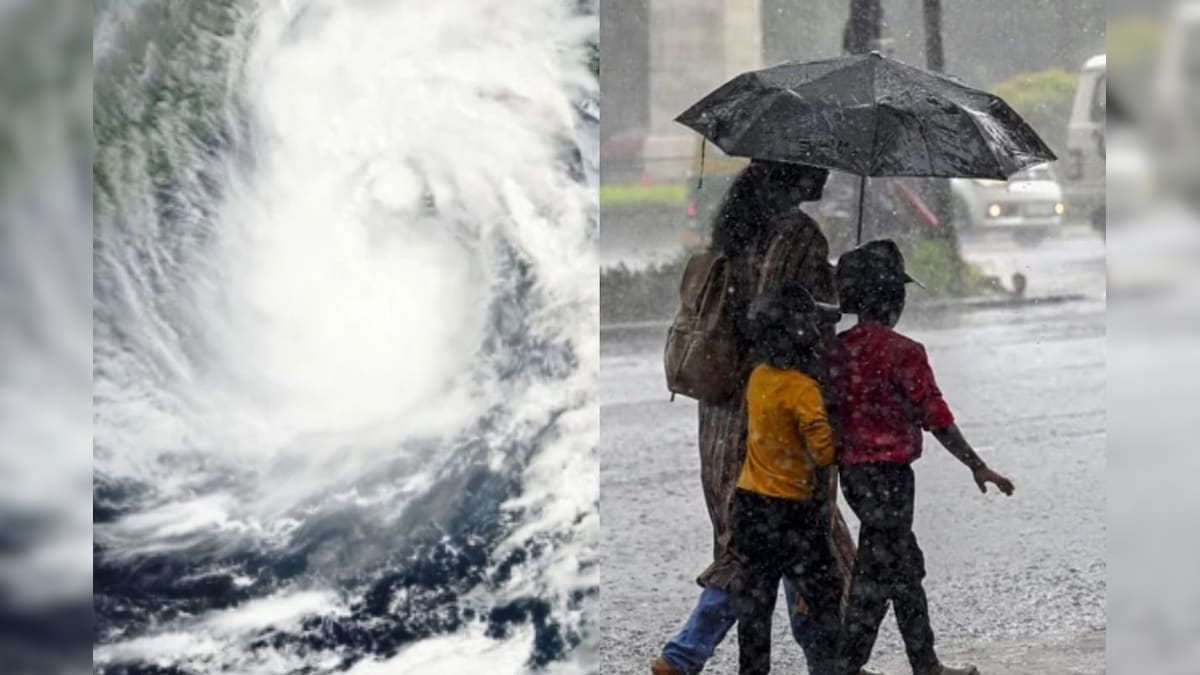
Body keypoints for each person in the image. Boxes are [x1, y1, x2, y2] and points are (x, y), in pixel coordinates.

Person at [652, 160, 871, 675]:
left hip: (725, 405)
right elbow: (780, 313)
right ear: (792, 173)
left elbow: (754, 306)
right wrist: (835, 300)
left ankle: (826, 659)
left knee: (759, 538)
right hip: (774, 409)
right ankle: (685, 655)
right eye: (817, 164)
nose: (828, 175)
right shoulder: (796, 233)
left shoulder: (737, 226)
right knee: (794, 538)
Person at [830, 240, 1017, 675]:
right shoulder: (904, 352)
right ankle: (852, 665)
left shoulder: (835, 351)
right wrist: (976, 464)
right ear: (894, 298)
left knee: (900, 564)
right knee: (880, 572)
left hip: (854, 478)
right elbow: (936, 417)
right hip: (893, 478)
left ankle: (921, 662)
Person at [730, 283, 846, 675]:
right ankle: (828, 668)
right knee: (824, 595)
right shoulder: (804, 391)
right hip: (793, 514)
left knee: (756, 608)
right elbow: (825, 453)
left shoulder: (759, 378)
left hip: (749, 507)